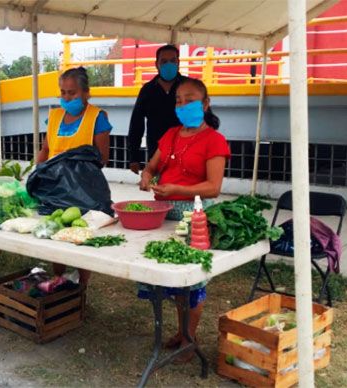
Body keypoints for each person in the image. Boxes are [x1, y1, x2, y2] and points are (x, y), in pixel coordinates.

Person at [139, 77, 231, 360]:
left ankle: (189, 339)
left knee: (191, 280)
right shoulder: (170, 134)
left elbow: (214, 187)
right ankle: (182, 333)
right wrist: (146, 176)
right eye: (178, 100)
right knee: (169, 278)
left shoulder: (214, 140)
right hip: (162, 213)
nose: (183, 105)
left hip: (193, 217)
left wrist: (179, 190)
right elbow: (152, 165)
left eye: (190, 99)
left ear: (205, 103)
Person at [37, 66, 113, 285]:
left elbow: (102, 157)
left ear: (86, 92)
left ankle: (82, 285)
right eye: (63, 92)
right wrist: (37, 172)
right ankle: (58, 278)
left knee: (80, 235)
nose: (67, 97)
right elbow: (45, 150)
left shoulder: (97, 117)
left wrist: (73, 167)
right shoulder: (54, 116)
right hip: (54, 188)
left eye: (72, 92)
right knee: (56, 235)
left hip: (84, 190)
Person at [127, 44, 189, 175]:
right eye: (164, 61)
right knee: (162, 192)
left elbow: (206, 118)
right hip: (157, 154)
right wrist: (134, 157)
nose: (169, 65)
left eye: (173, 61)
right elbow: (136, 124)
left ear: (178, 62)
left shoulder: (189, 87)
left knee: (188, 193)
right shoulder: (148, 90)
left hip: (188, 151)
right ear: (157, 64)